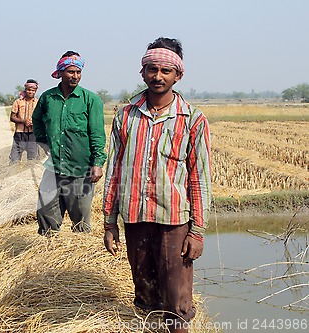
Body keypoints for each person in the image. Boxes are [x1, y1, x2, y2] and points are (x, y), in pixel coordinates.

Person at [102, 37, 212, 333]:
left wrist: (197, 231)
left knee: (176, 306)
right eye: (152, 69)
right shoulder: (125, 116)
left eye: (166, 71)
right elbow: (114, 171)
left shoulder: (192, 120)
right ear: (142, 72)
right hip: (136, 219)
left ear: (179, 75)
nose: (158, 76)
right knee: (145, 298)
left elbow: (199, 178)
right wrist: (109, 222)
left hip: (174, 222)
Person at [32, 50, 107, 235]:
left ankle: (78, 255)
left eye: (78, 72)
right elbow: (37, 120)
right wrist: (44, 142)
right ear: (61, 72)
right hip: (54, 166)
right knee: (45, 211)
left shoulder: (90, 100)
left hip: (80, 167)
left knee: (80, 218)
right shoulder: (48, 98)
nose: (75, 76)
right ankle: (48, 249)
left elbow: (97, 133)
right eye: (70, 72)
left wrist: (97, 163)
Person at [9, 79, 40, 163]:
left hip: (33, 134)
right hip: (19, 134)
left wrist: (34, 123)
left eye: (33, 90)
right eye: (29, 90)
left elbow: (42, 118)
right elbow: (12, 117)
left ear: (35, 91)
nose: (30, 92)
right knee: (14, 160)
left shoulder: (38, 103)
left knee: (33, 161)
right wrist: (23, 121)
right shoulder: (18, 102)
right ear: (25, 90)